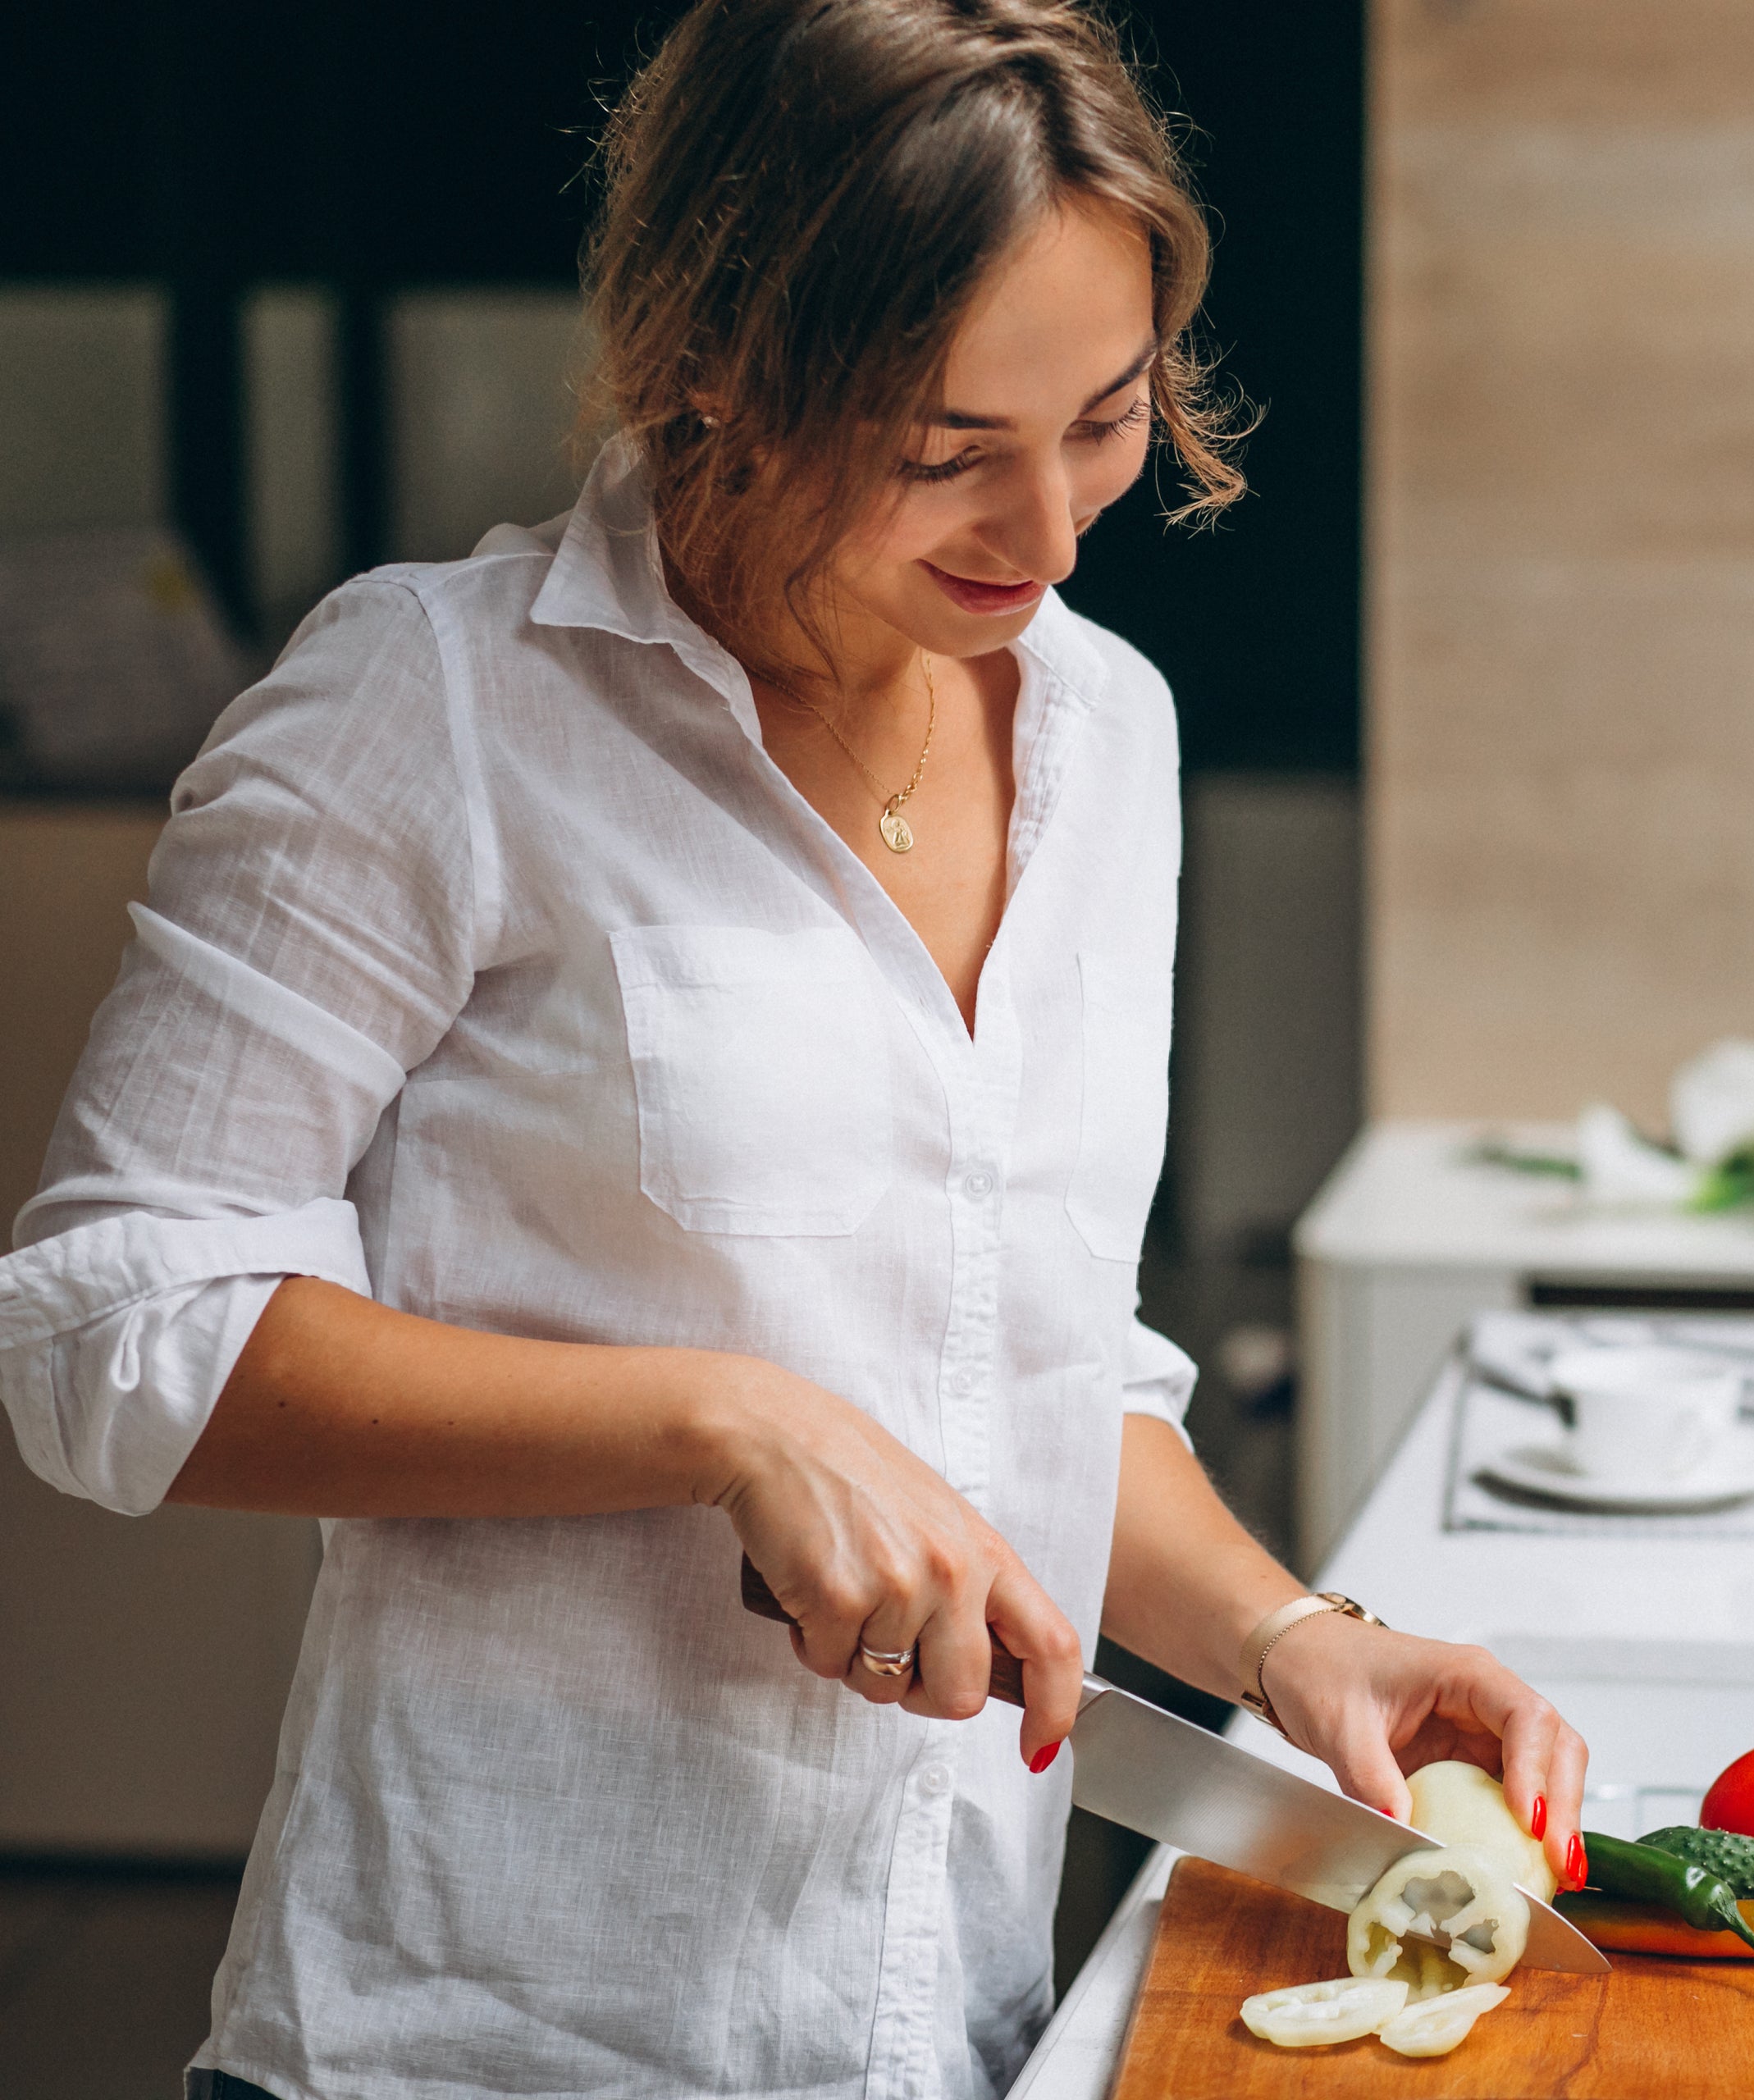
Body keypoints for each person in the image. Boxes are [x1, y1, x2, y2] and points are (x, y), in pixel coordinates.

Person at [0, 5, 1587, 2094]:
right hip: (489, 2040)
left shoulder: (1109, 731)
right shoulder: (438, 706)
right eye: (946, 451)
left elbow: (1032, 1355)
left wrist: (1291, 1639)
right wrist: (717, 1419)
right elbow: (103, 1329)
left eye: (1106, 418)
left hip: (947, 2027)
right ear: (719, 358)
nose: (1052, 535)